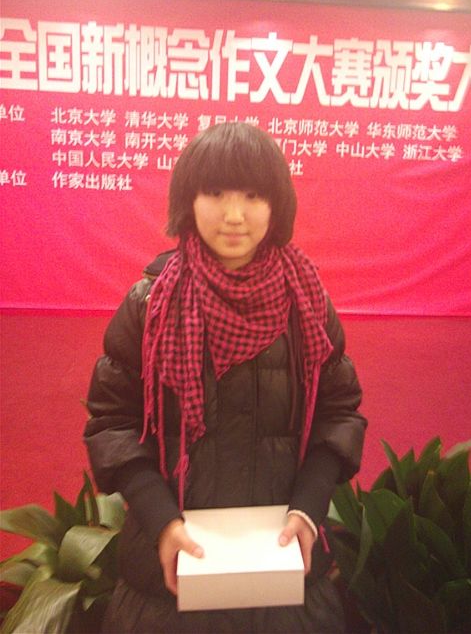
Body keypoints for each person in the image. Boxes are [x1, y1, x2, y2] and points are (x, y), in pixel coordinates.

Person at [84, 121, 366, 633]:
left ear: (277, 205)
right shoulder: (150, 304)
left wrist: (307, 509)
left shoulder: (306, 302)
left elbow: (338, 414)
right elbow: (112, 423)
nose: (234, 215)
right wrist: (160, 519)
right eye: (215, 193)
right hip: (167, 578)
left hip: (285, 571)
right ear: (188, 200)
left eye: (254, 196)